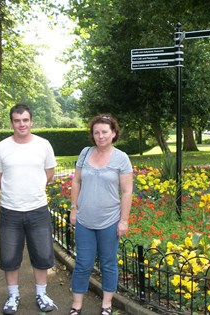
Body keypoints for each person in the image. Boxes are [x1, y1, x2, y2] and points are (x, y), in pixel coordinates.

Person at [0, 103, 58, 314]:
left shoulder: (43, 145)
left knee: (43, 255)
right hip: (10, 211)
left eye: (25, 120)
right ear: (12, 123)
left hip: (37, 209)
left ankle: (41, 293)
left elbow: (49, 171)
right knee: (9, 258)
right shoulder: (2, 147)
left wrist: (33, 188)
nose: (21, 124)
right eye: (17, 121)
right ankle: (13, 296)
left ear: (31, 121)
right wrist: (13, 191)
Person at [69, 114, 134, 315]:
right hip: (85, 221)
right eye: (96, 132)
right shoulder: (85, 153)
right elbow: (76, 181)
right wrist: (73, 208)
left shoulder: (121, 158)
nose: (100, 136)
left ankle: (107, 304)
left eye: (105, 132)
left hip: (109, 221)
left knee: (108, 263)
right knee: (82, 263)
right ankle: (77, 305)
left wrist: (123, 220)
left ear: (113, 133)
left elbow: (127, 191)